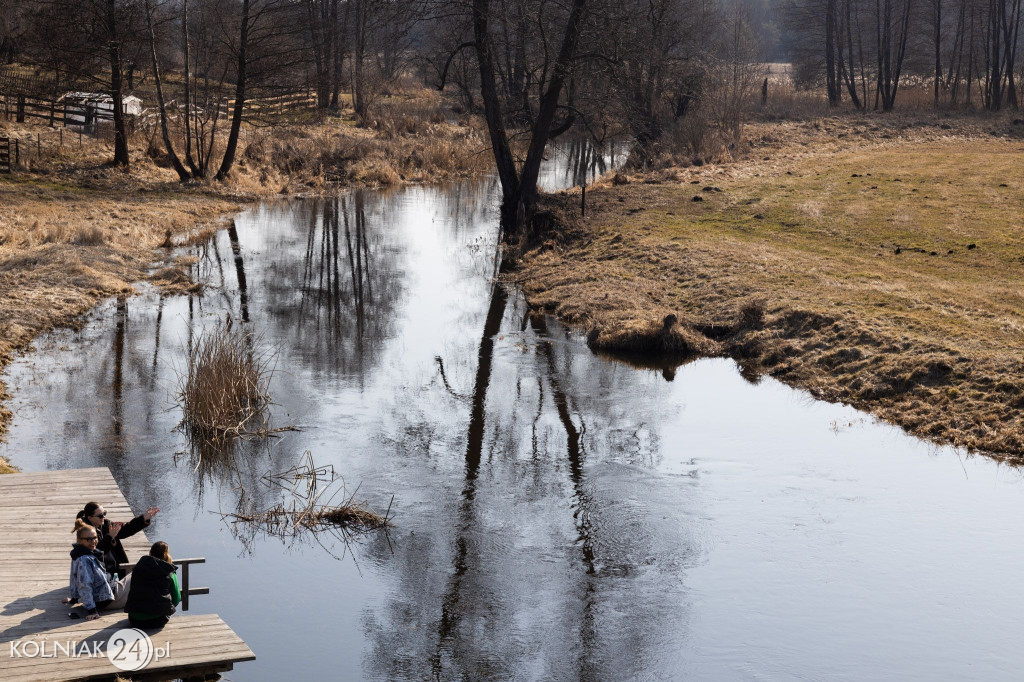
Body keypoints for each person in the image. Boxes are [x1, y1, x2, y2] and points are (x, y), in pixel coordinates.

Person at [76, 501, 160, 579]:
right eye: (100, 516)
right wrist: (110, 537)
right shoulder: (85, 533)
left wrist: (143, 519)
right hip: (99, 572)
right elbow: (94, 554)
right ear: (90, 518)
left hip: (115, 568)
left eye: (104, 513)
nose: (103, 517)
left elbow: (126, 529)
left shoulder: (106, 524)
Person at [66, 521, 115, 621]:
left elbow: (75, 578)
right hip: (104, 599)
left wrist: (74, 598)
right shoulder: (84, 559)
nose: (93, 541)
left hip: (103, 593)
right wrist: (92, 610)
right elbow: (84, 585)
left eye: (95, 538)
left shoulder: (78, 553)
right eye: (89, 539)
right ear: (79, 540)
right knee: (134, 577)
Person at [125, 541, 181, 629]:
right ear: (167, 555)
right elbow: (177, 599)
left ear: (150, 553)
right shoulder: (170, 573)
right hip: (157, 620)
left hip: (134, 619)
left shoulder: (137, 570)